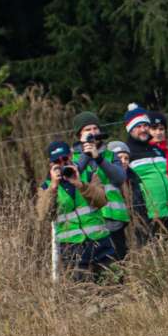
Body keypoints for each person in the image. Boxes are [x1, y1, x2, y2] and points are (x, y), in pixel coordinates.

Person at [37, 140, 115, 279]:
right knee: (82, 289)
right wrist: (53, 187)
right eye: (57, 161)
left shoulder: (88, 175)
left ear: (71, 156)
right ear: (51, 164)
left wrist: (79, 184)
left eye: (65, 158)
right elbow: (44, 215)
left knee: (113, 281)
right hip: (72, 248)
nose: (62, 163)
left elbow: (102, 200)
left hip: (100, 241)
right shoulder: (46, 186)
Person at [70, 111, 131, 260]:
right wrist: (86, 153)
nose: (93, 132)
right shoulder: (71, 158)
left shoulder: (110, 155)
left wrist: (99, 158)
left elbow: (119, 178)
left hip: (113, 219)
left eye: (95, 128)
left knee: (118, 264)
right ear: (79, 135)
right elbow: (73, 176)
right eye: (88, 129)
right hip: (87, 224)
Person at [122, 106, 168, 243]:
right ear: (130, 129)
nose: (143, 129)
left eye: (146, 125)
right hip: (147, 215)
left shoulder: (157, 150)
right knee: (153, 250)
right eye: (138, 126)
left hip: (167, 210)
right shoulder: (127, 153)